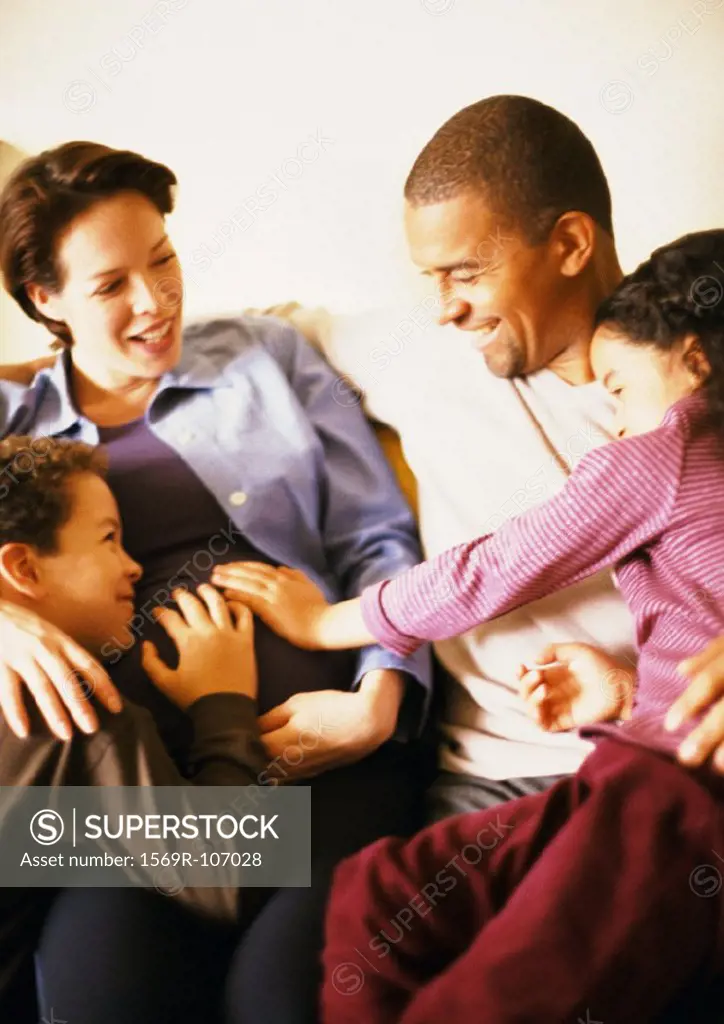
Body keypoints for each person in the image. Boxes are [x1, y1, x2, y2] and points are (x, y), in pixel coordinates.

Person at [225, 230, 724, 1021]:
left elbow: (494, 566)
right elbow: (282, 326)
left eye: (621, 390)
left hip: (665, 789)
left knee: (484, 997)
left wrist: (329, 625)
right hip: (620, 761)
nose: (614, 421)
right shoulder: (420, 351)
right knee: (377, 895)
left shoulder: (672, 443)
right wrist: (627, 688)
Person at [0, 141, 432, 1024]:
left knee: (277, 995)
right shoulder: (16, 421)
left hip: (328, 754)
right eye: (111, 284)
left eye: (162, 259)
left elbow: (377, 536)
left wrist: (382, 695)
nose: (155, 302)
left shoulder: (267, 356)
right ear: (45, 301)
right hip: (142, 801)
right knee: (103, 997)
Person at [262, 94, 724, 814]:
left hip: (658, 766)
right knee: (367, 907)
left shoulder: (689, 396)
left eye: (467, 273)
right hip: (482, 785)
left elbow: (499, 564)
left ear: (571, 244)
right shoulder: (421, 348)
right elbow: (247, 339)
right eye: (432, 277)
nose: (445, 306)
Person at [0, 433, 267, 1022]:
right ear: (22, 566)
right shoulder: (72, 706)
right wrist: (223, 702)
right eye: (109, 539)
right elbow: (229, 873)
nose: (134, 565)